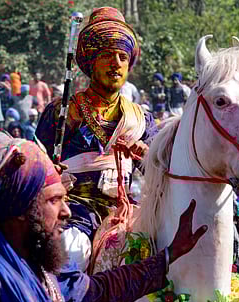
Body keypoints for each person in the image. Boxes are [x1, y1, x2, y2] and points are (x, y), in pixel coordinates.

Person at [0, 126, 207, 302]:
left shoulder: (43, 272)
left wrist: (170, 254)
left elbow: (98, 291)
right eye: (54, 200)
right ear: (21, 210)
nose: (67, 211)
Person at [35, 7, 158, 272]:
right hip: (75, 212)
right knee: (71, 253)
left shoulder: (142, 119)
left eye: (123, 57)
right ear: (91, 63)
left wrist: (146, 152)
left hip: (126, 212)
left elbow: (161, 168)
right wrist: (49, 172)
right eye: (107, 55)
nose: (116, 63)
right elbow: (36, 161)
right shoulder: (64, 110)